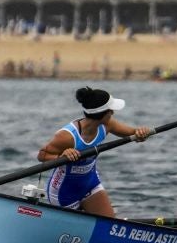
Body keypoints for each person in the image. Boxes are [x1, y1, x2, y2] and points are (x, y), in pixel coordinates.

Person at [35, 87, 149, 217]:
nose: (113, 113)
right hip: (63, 191)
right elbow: (42, 155)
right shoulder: (67, 136)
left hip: (90, 184)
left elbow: (133, 134)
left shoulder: (107, 125)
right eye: (110, 111)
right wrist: (61, 156)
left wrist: (141, 133)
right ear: (102, 114)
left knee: (109, 225)